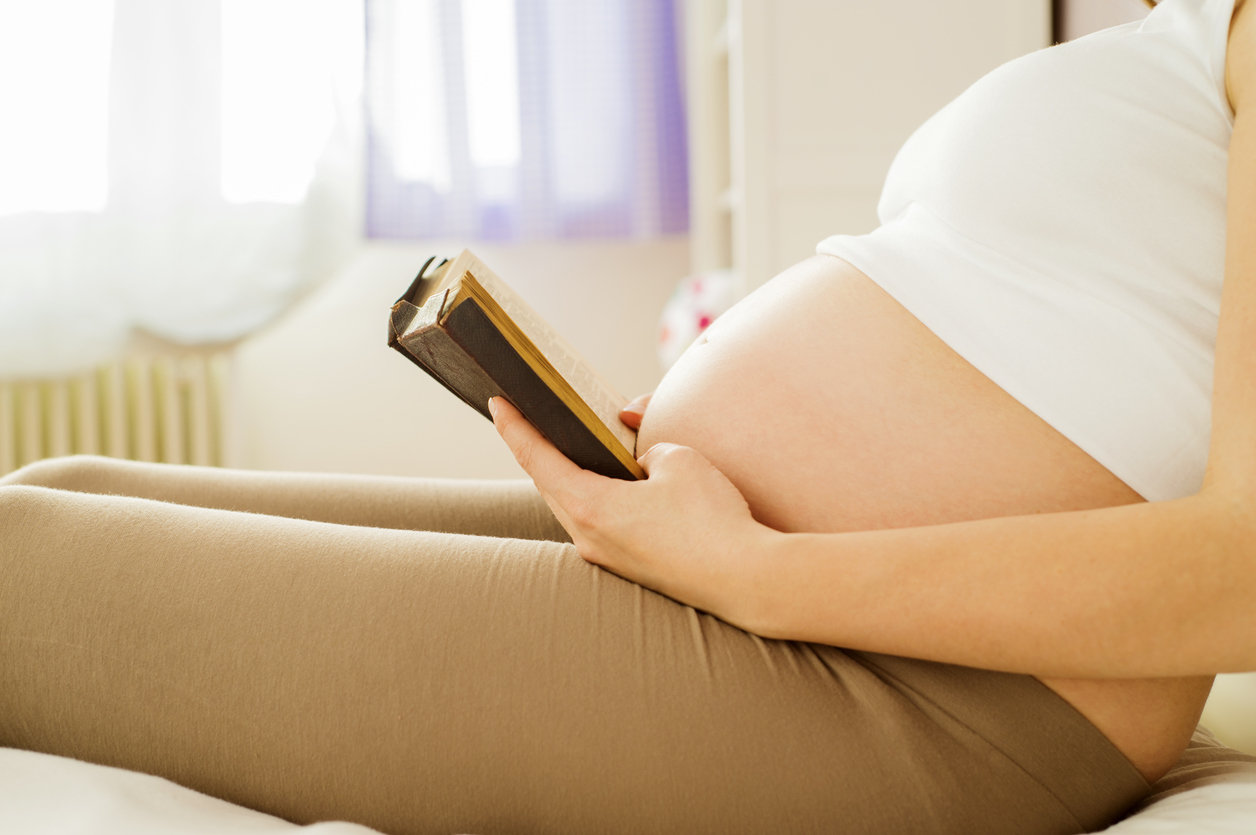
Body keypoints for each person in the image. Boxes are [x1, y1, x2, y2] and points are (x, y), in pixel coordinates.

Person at [2, 0, 1252, 832]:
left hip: (938, 691)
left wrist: (765, 574)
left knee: (22, 567)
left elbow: (1241, 571)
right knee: (64, 489)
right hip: (785, 589)